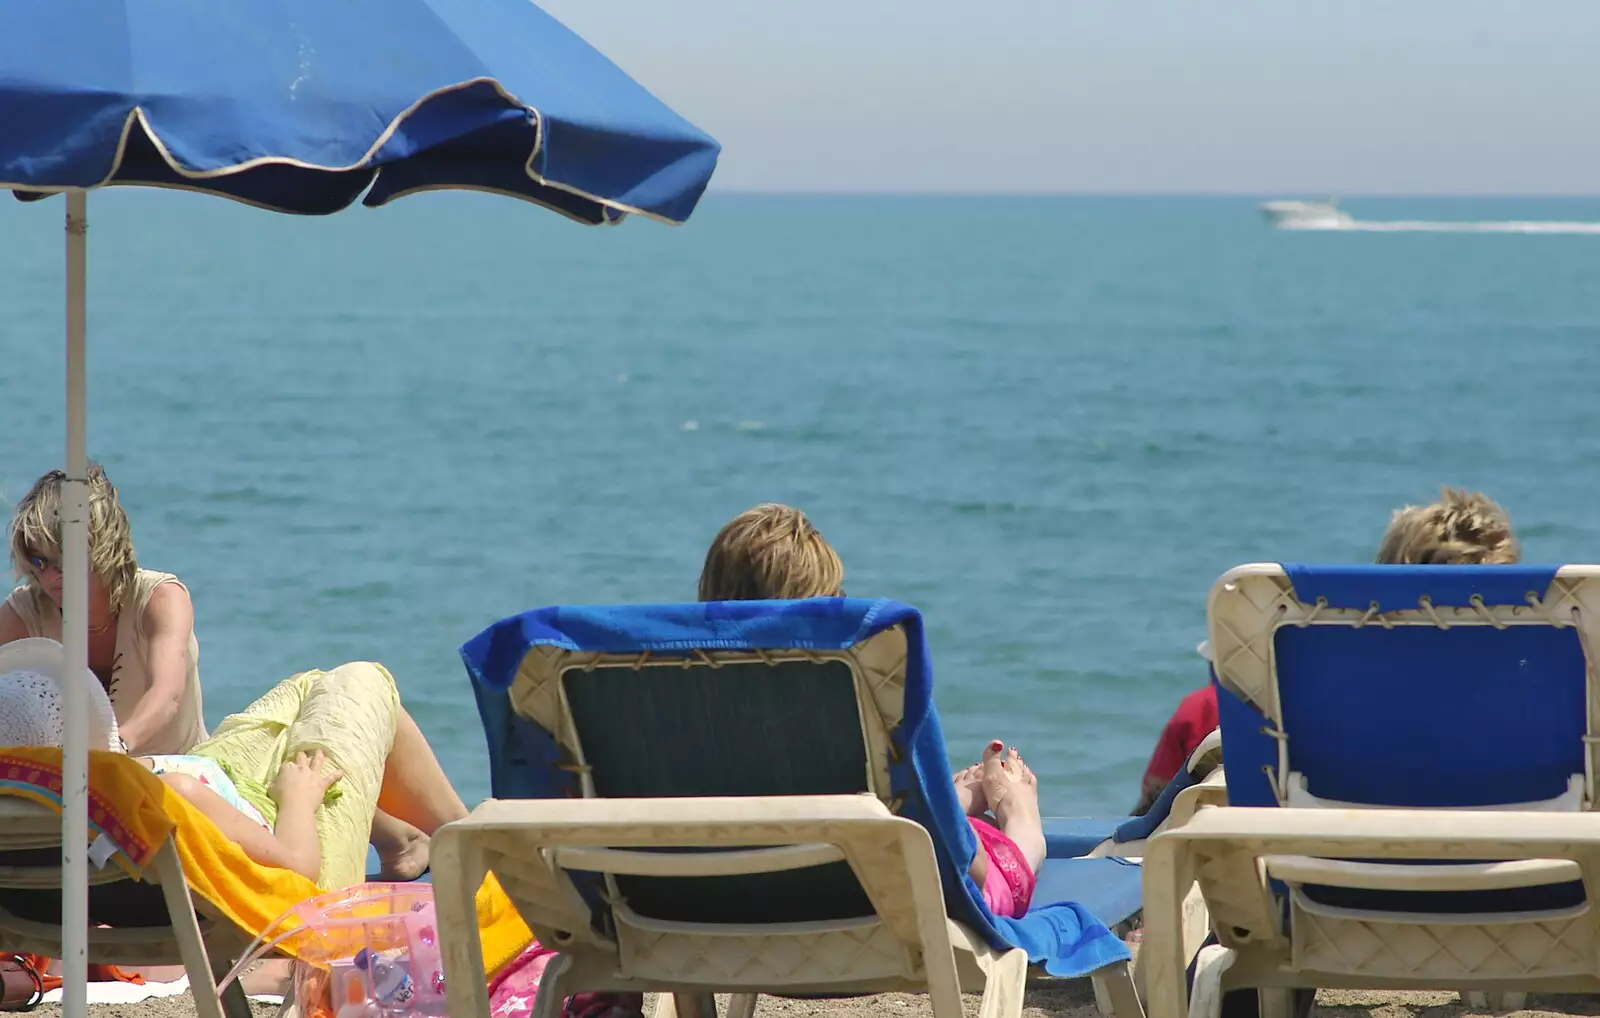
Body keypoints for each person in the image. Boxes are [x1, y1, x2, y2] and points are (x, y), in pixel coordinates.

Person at [2, 464, 432, 880]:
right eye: (39, 563)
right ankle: (444, 841)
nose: (51, 577)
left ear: (102, 544)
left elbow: (165, 696)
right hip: (130, 800)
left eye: (64, 560)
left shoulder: (156, 598)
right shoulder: (23, 614)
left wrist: (112, 754)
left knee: (302, 702)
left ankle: (396, 836)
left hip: (184, 769)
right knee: (317, 726)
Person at [699, 502, 1045, 918]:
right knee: (995, 858)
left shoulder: (673, 699)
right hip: (874, 907)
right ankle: (1018, 817)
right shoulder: (865, 695)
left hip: (724, 902)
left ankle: (948, 803)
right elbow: (967, 871)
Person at [1132, 487, 1521, 814]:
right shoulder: (1546, 697)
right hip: (1530, 889)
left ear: (1380, 588)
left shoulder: (1309, 695)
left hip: (1334, 890)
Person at [0, 637, 467, 890]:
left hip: (215, 782)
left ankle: (400, 843)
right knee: (360, 680)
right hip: (280, 829)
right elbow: (296, 870)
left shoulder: (24, 816)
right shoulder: (167, 799)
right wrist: (298, 800)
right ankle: (473, 845)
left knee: (311, 686)